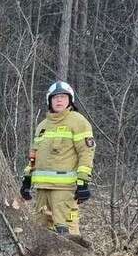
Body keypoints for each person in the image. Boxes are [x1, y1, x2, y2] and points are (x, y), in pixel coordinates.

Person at [21, 81, 96, 237]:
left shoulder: (78, 121)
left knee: (66, 232)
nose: (59, 100)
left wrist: (83, 183)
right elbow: (34, 156)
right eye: (55, 98)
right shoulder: (42, 125)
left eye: (63, 97)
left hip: (65, 190)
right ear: (50, 101)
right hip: (42, 188)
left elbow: (86, 153)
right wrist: (27, 180)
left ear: (70, 100)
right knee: (41, 231)